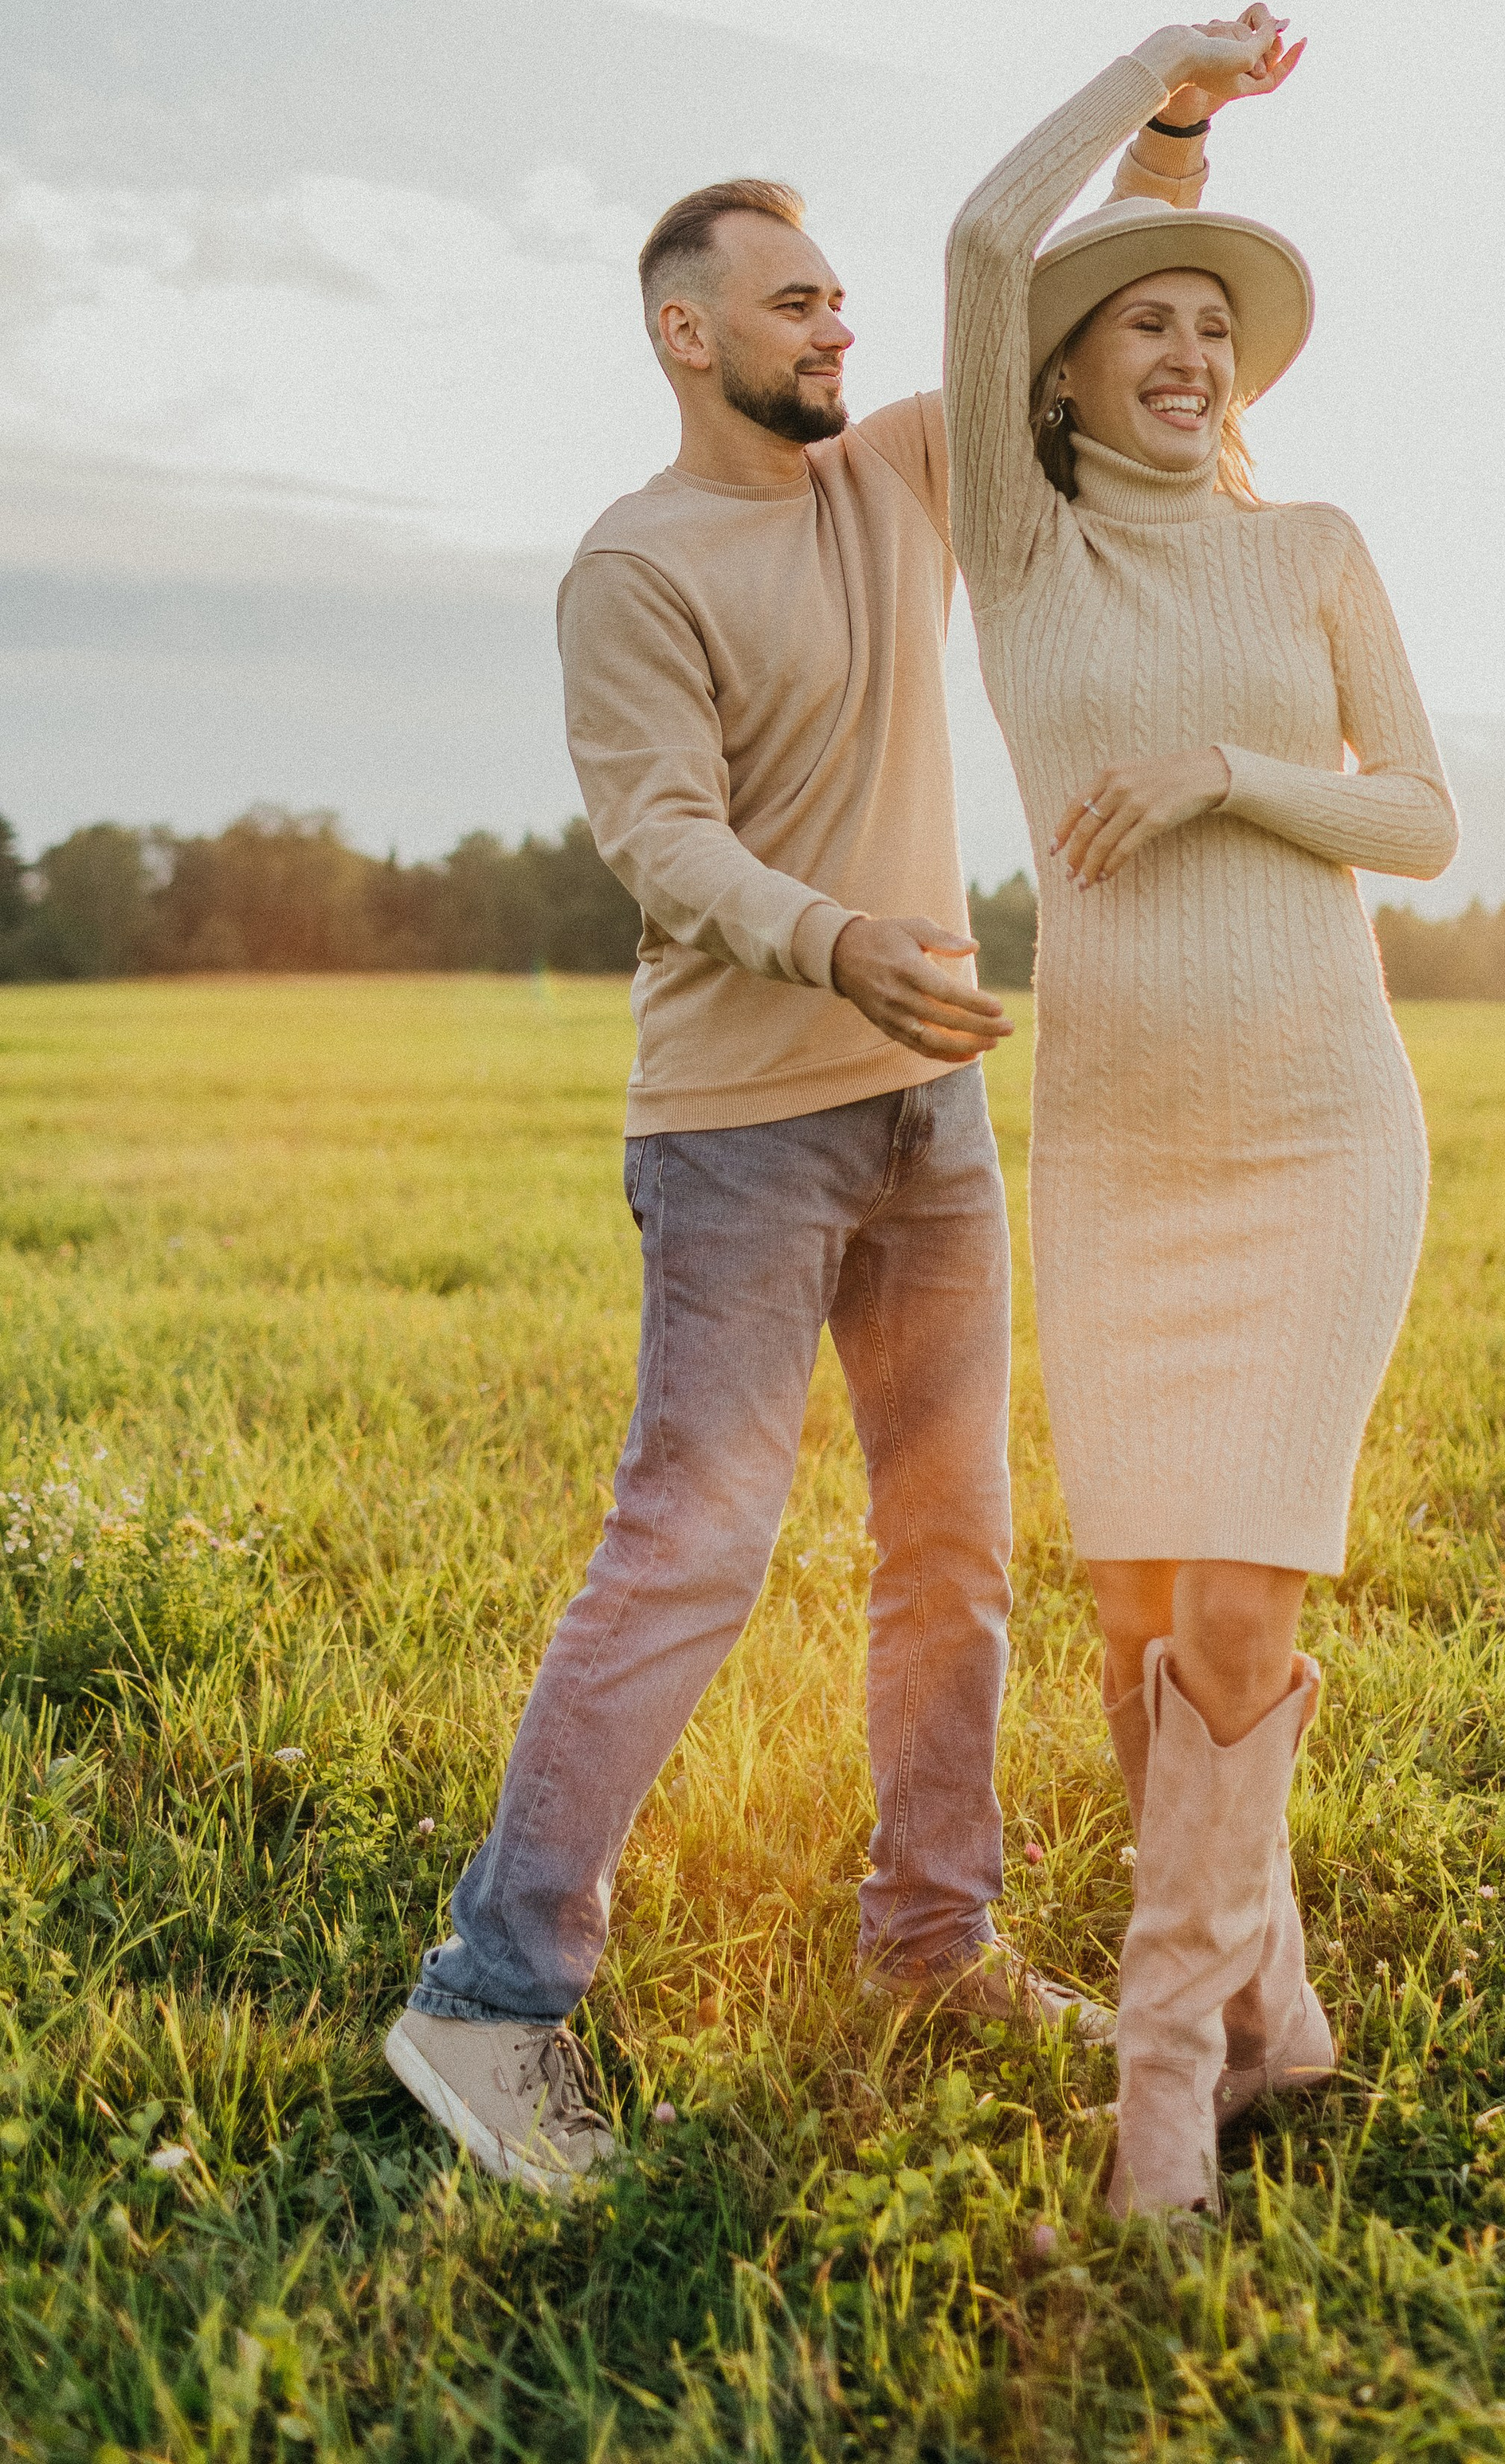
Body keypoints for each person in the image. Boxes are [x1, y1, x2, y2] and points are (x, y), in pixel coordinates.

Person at [385, 125, 1209, 2195]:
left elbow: (1036, 293)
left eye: (843, 294)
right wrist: (835, 937)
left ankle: (933, 1947)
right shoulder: (638, 566)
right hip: (742, 1135)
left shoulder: (898, 474)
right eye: (794, 298)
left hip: (926, 1120)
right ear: (687, 334)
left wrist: (1172, 132)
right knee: (690, 1548)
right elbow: (656, 837)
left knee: (956, 1549)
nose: (840, 322)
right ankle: (488, 2004)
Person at [943, 6, 1460, 2214]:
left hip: (1324, 1131)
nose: (1181, 348)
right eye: (1141, 319)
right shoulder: (1026, 558)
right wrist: (1151, 83)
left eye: (1207, 326)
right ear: (1060, 376)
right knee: (1142, 1613)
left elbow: (1423, 817)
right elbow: (980, 238)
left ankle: (1169, 2093)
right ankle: (1275, 1998)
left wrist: (1232, 776)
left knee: (1240, 1602)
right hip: (1125, 1154)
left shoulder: (1316, 543)